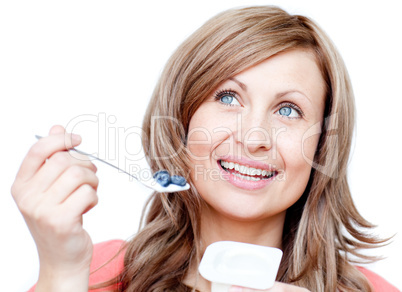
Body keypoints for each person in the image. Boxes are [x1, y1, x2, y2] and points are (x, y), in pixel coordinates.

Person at [11, 5, 399, 292]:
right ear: (182, 121)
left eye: (288, 110)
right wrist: (61, 273)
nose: (254, 137)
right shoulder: (92, 274)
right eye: (228, 98)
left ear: (321, 149)